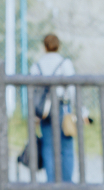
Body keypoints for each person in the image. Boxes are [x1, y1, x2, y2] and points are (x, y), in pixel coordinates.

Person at [29, 31, 78, 181]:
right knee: (67, 147)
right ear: (59, 46)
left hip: (44, 111)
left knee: (48, 146)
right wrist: (77, 109)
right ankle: (67, 181)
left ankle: (51, 180)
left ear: (44, 46)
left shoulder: (37, 66)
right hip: (63, 106)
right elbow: (71, 89)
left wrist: (34, 113)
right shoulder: (65, 63)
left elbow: (34, 91)